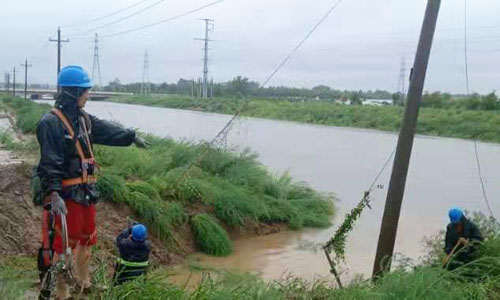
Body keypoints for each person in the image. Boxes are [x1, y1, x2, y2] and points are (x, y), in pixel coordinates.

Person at [37, 65, 148, 299]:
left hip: (86, 190)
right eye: (85, 91)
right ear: (72, 92)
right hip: (67, 194)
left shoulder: (84, 119)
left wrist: (131, 136)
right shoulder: (51, 123)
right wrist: (54, 194)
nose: (88, 95)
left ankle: (84, 283)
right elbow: (49, 163)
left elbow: (107, 130)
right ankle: (62, 292)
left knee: (88, 239)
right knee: (63, 245)